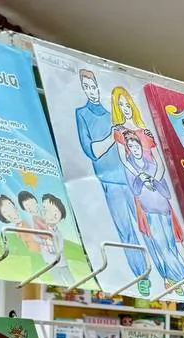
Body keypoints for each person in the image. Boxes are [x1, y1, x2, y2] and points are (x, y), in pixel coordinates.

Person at [74, 69, 148, 285]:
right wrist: (112, 136)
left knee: (147, 225)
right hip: (110, 181)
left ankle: (164, 273)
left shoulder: (112, 114)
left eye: (93, 86)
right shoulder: (82, 114)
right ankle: (141, 276)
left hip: (131, 177)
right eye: (87, 87)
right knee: (126, 230)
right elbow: (92, 151)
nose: (92, 91)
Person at [121, 130, 184, 284]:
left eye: (137, 146)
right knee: (162, 246)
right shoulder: (130, 169)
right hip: (150, 212)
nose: (135, 149)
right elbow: (135, 190)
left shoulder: (152, 165)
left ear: (140, 146)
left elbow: (167, 192)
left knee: (171, 246)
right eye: (131, 147)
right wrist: (141, 179)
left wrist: (153, 181)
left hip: (165, 211)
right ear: (128, 149)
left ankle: (171, 278)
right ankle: (183, 277)